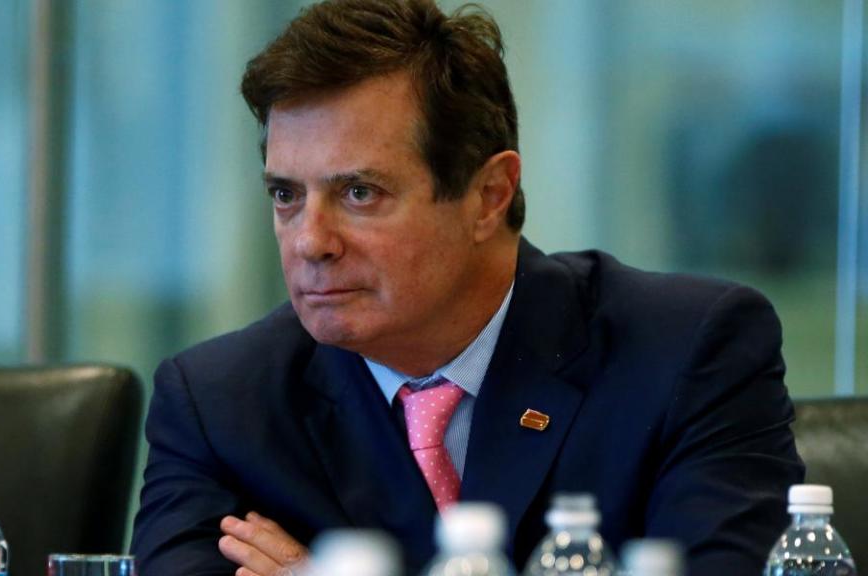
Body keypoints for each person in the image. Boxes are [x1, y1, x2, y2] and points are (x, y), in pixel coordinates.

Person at [130, 1, 805, 575]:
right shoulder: (220, 406)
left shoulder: (685, 352)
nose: (311, 241)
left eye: (359, 193)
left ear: (488, 196)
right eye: (286, 194)